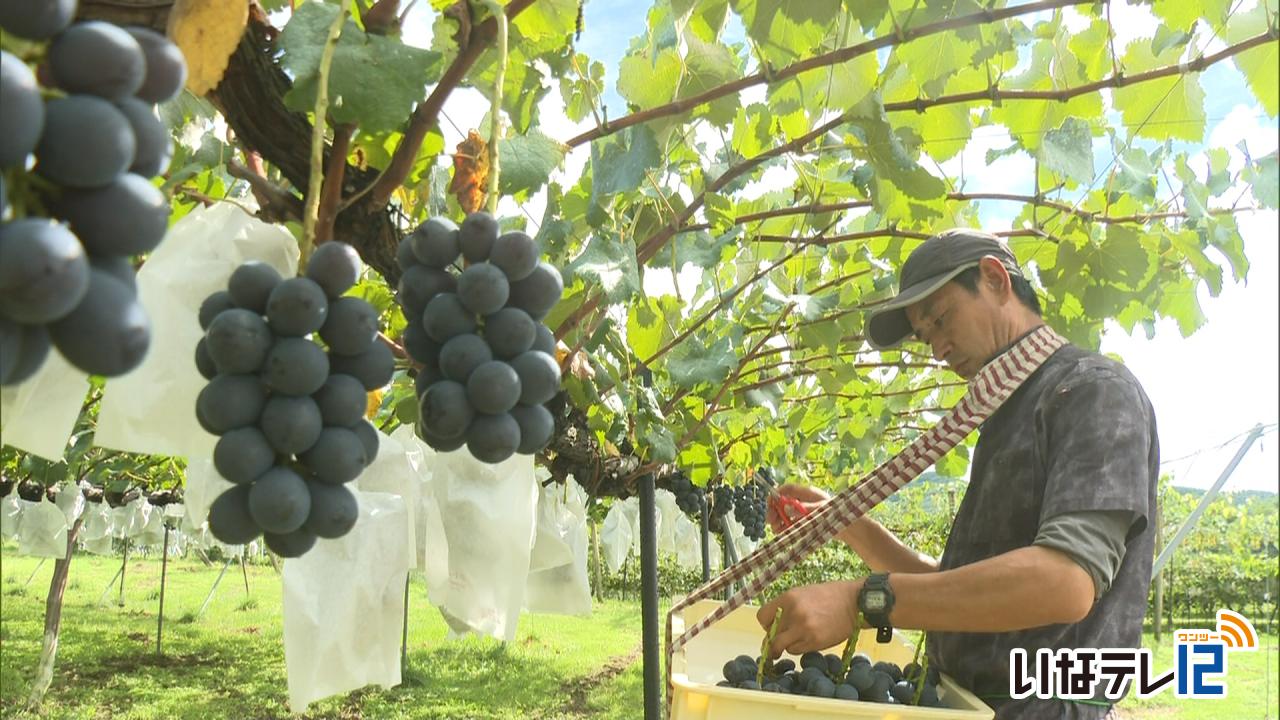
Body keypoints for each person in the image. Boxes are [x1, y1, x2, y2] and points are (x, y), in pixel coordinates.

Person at [756, 228, 1159, 719]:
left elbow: (1064, 580)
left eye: (941, 319)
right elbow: (960, 587)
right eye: (926, 337)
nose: (937, 349)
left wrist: (864, 601)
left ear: (994, 278)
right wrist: (843, 522)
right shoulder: (1009, 412)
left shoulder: (1092, 392)